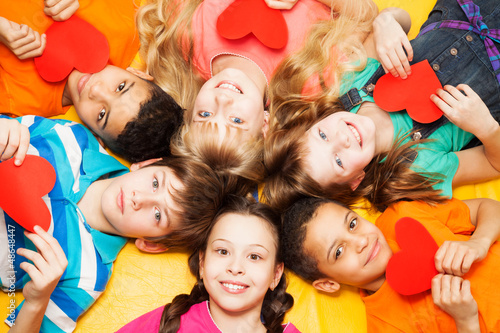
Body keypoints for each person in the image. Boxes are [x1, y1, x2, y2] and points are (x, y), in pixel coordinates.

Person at [0, 115, 254, 332]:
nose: (139, 199)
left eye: (157, 215)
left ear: (152, 244)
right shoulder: (70, 137)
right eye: (155, 183)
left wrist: (36, 301)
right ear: (147, 164)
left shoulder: (86, 277)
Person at [264, 0, 500, 212]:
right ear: (355, 180)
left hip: (467, 9)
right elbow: (494, 164)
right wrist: (486, 128)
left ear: (314, 122)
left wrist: (385, 21)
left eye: (322, 135)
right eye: (338, 161)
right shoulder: (416, 169)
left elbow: (401, 20)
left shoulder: (350, 84)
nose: (342, 138)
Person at [136, 0, 383, 143]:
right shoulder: (308, 81)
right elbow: (365, 14)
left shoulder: (188, 38)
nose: (222, 100)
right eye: (236, 120)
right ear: (264, 126)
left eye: (206, 113)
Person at [0, 0, 184, 163]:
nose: (96, 90)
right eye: (121, 87)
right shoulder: (123, 26)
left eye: (102, 114)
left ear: (94, 135)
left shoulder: (18, 103)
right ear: (139, 73)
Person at [281, 196, 500, 332]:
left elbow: (489, 207)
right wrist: (466, 322)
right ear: (328, 284)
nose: (361, 241)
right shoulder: (384, 327)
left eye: (352, 223)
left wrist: (479, 242)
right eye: (338, 251)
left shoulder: (402, 216)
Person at [117, 196, 297, 333]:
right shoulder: (168, 323)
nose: (235, 268)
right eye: (223, 251)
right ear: (202, 263)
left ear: (275, 274)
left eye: (254, 256)